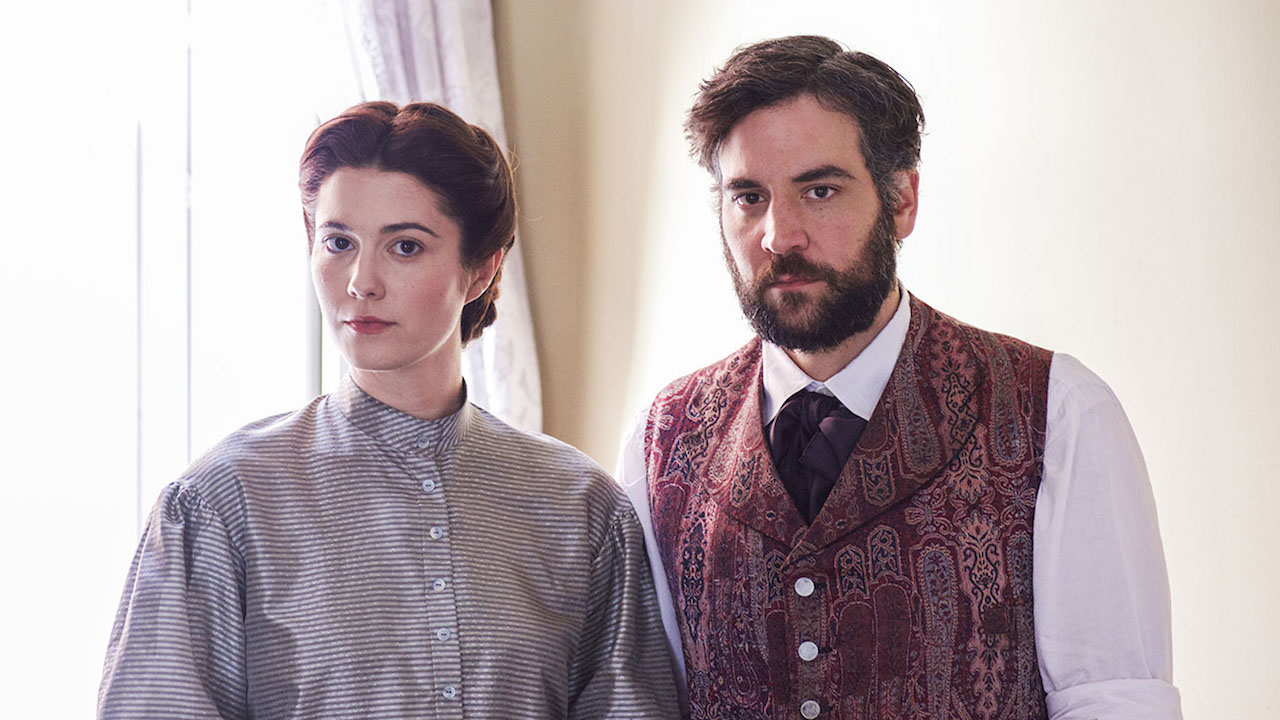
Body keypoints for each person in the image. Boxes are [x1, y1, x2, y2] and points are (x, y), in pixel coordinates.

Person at [617, 36, 1180, 719]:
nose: (778, 235)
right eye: (749, 197)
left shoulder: (1057, 412)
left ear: (903, 200)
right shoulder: (662, 440)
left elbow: (1114, 701)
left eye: (819, 190)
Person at [99, 101, 678, 719]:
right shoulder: (218, 504)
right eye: (338, 242)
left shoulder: (582, 508)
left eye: (405, 246)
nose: (361, 282)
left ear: (481, 270)